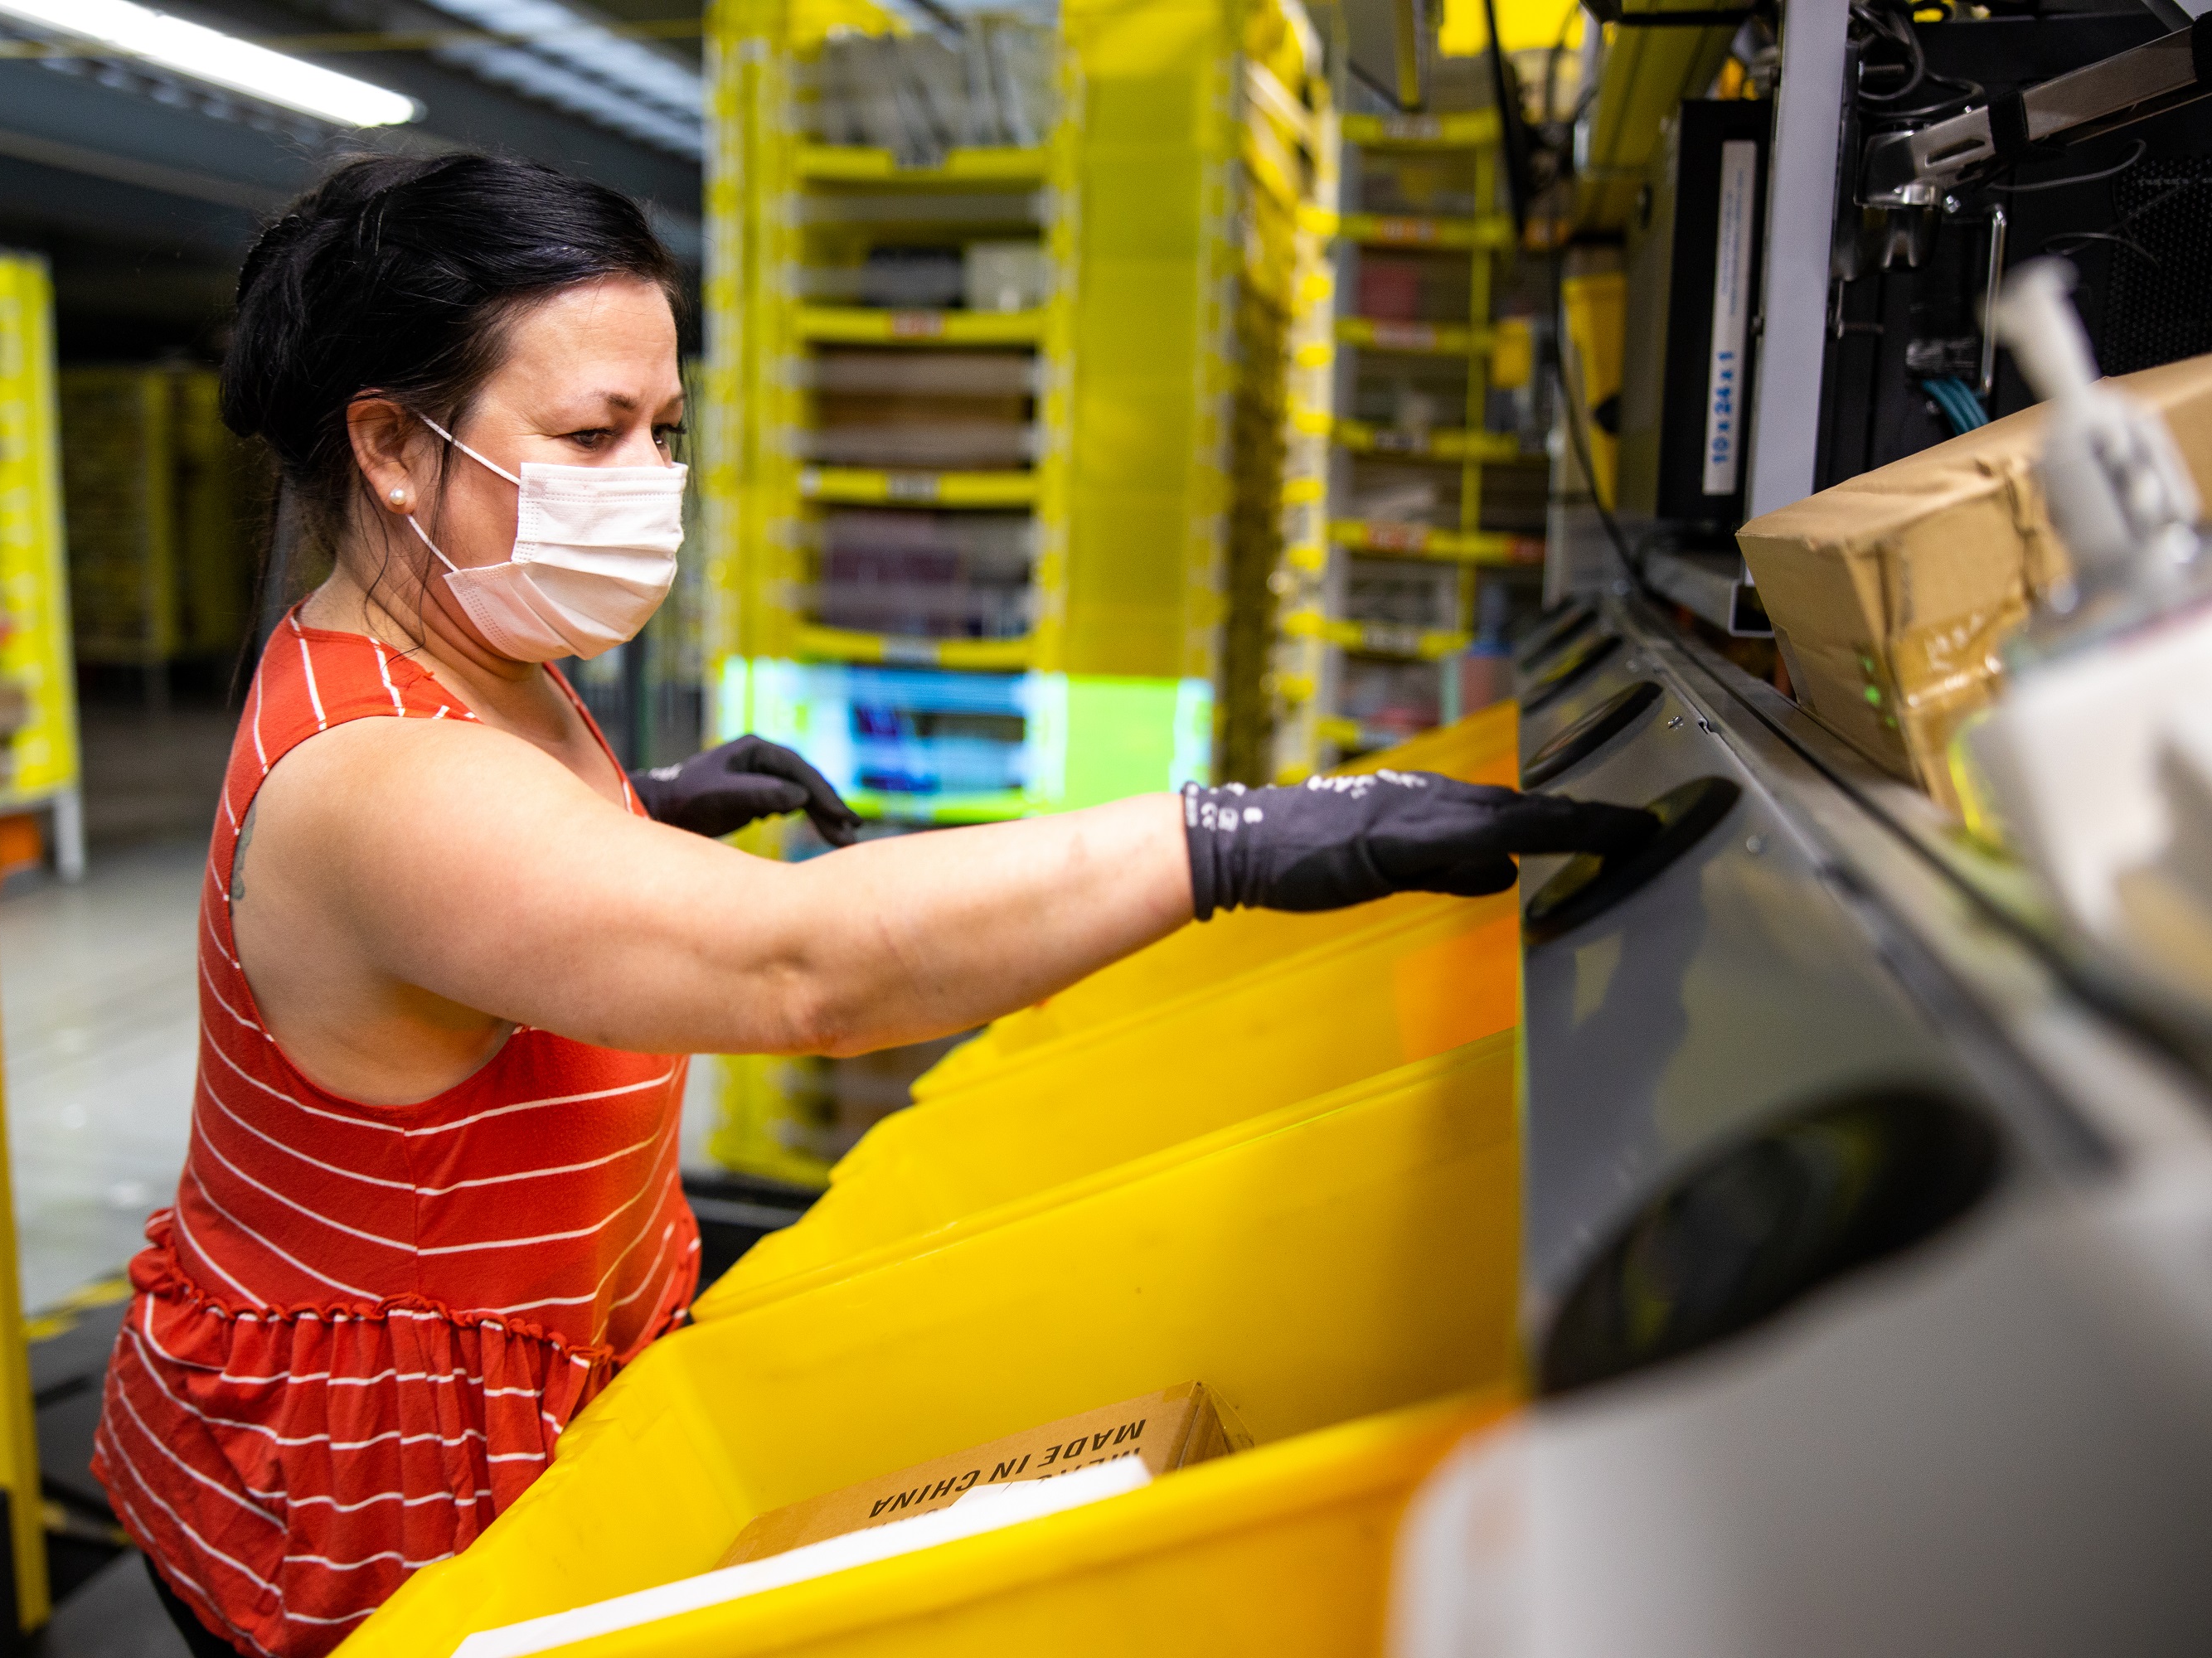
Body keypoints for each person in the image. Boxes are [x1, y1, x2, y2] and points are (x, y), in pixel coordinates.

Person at [90, 151, 1651, 1658]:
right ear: (387, 447)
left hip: (532, 1360)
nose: (649, 483)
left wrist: (637, 813)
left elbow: (476, 898)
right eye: (591, 433)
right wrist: (1236, 838)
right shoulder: (383, 780)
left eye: (666, 427)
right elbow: (801, 968)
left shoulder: (466, 652)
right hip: (361, 1499)